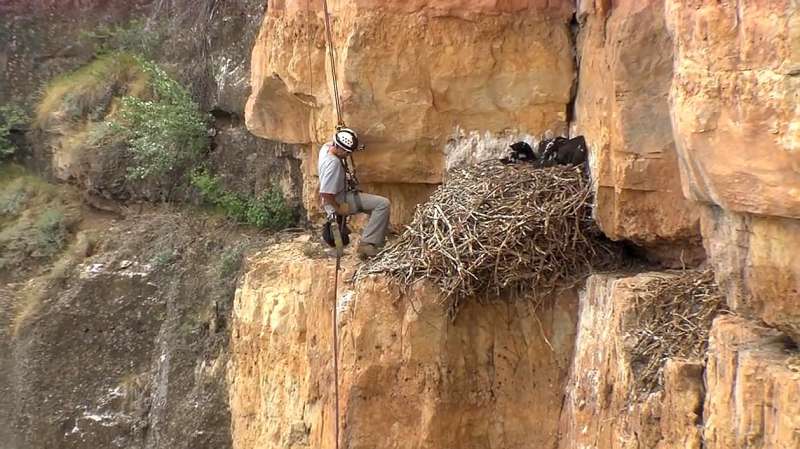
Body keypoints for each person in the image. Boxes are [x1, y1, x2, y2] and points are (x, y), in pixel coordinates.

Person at [318, 128, 391, 259]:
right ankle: (368, 244)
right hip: (339, 200)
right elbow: (326, 193)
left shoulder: (326, 148)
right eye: (347, 153)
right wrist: (339, 208)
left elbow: (340, 141)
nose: (347, 155)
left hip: (338, 195)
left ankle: (381, 231)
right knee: (382, 204)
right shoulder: (333, 164)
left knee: (377, 205)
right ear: (340, 149)